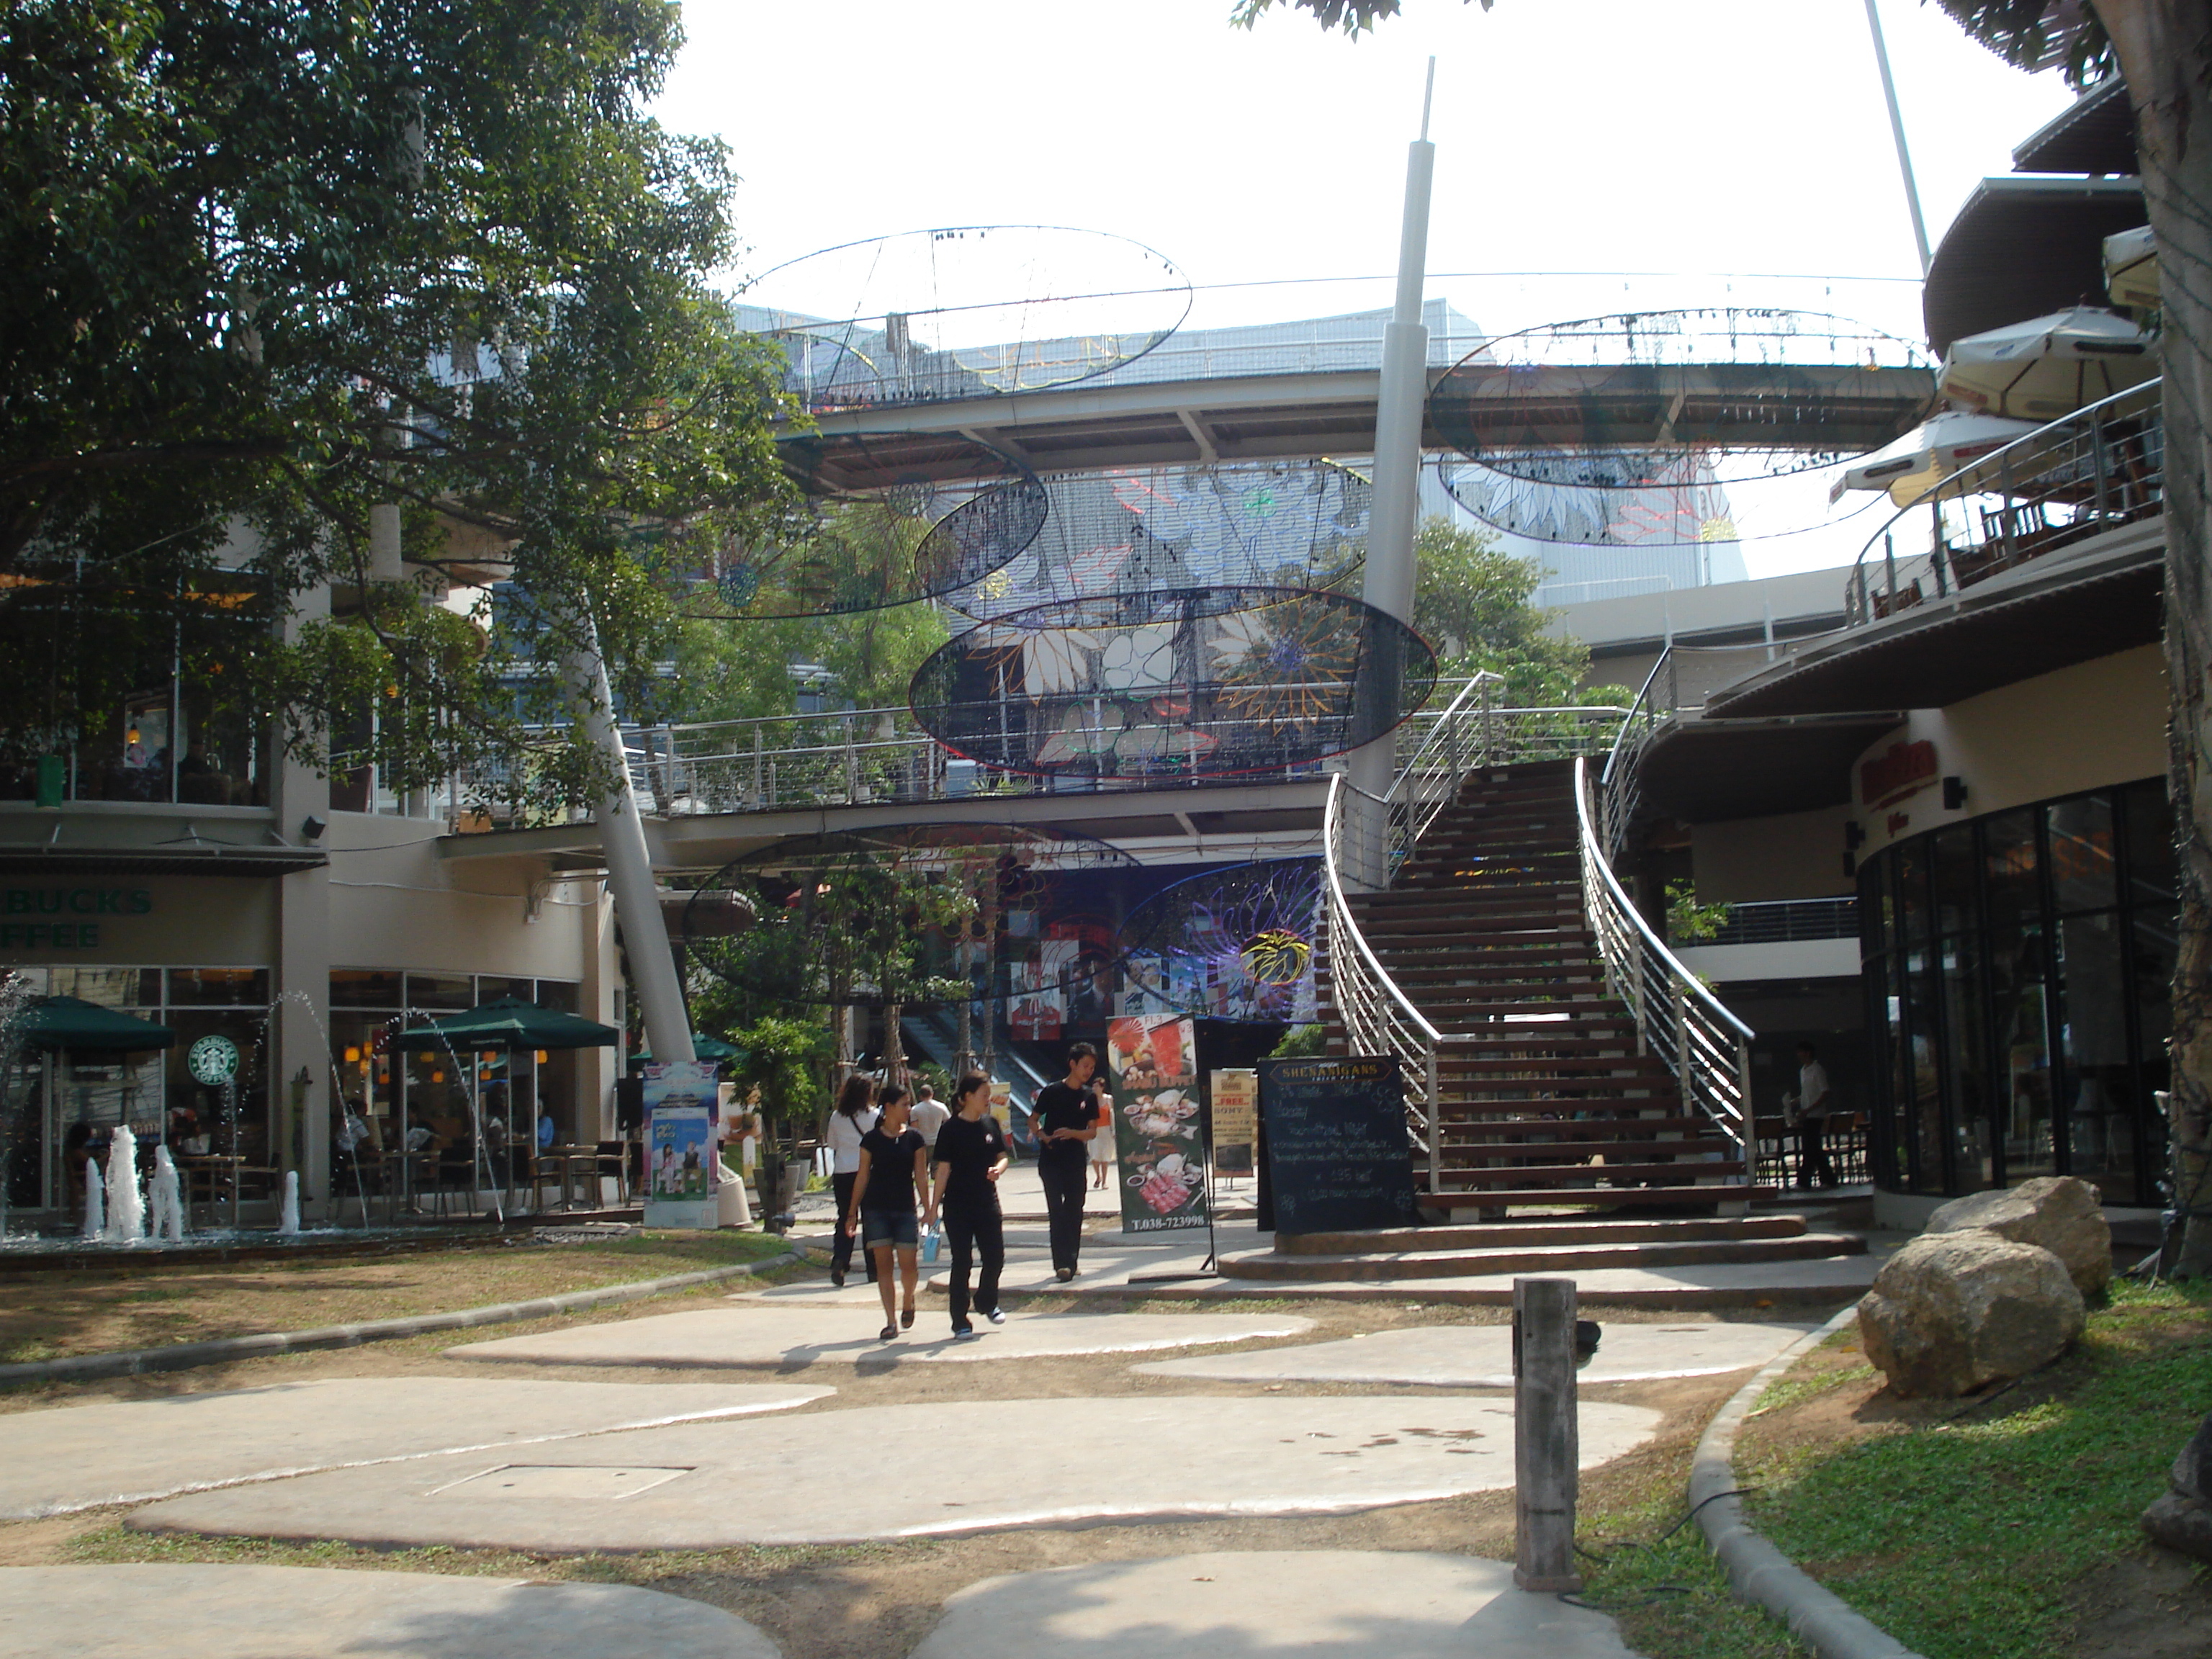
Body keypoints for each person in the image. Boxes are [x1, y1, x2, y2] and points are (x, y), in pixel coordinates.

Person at [928, 1070, 1010, 1340]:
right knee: (962, 1261)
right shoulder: (950, 1129)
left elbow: (1002, 1156)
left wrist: (999, 1169)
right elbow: (943, 1170)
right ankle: (959, 1319)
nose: (988, 1099)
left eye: (989, 1095)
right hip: (958, 1206)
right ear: (967, 1097)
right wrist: (932, 1207)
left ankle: (987, 1301)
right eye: (984, 1095)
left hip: (987, 1201)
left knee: (995, 1256)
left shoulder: (990, 1124)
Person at [846, 1083, 928, 1339]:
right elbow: (862, 1176)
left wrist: (929, 1208)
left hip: (905, 1208)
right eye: (904, 1104)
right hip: (876, 1209)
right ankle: (891, 1320)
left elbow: (921, 1177)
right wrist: (852, 1212)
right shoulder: (871, 1139)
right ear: (889, 1107)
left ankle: (908, 1301)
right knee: (883, 1267)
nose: (909, 1109)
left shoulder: (915, 1138)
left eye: (909, 1104)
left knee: (909, 1265)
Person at [1032, 1041, 1102, 1282]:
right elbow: (1033, 1120)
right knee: (1057, 1211)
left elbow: (1092, 1132)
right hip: (1051, 1160)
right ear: (1072, 1064)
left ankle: (1071, 1260)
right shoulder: (1051, 1091)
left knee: (1075, 1210)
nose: (1088, 1071)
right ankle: (1062, 1264)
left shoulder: (1089, 1097)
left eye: (1092, 1067)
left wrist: (1072, 1133)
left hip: (1075, 1160)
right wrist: (1043, 1136)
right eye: (1085, 1065)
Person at [825, 1073, 879, 1287]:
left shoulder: (836, 1117)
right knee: (871, 1219)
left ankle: (840, 1260)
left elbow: (831, 1144)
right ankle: (873, 1268)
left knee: (846, 1217)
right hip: (868, 1172)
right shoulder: (875, 1116)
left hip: (843, 1172)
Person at [1786, 1040, 1836, 1190]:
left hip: (1815, 1114)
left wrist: (1810, 1108)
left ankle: (1805, 1180)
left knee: (1810, 1148)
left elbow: (1824, 1092)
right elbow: (1808, 1093)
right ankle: (1828, 1178)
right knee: (1813, 1148)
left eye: (1801, 1052)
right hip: (1807, 1114)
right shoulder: (1803, 1071)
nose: (1799, 1055)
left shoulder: (1817, 1070)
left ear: (1808, 1053)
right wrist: (1798, 1101)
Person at [909, 1081, 950, 1152]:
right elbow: (948, 1123)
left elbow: (914, 1128)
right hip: (937, 1142)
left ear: (920, 1096)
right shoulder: (941, 1107)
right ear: (932, 1094)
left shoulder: (915, 1109)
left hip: (922, 1143)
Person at [1088, 1089, 1115, 1190]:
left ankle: (1104, 1181)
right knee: (1094, 1156)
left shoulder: (1109, 1099)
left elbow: (1112, 1114)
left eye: (1097, 1086)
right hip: (1094, 1130)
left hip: (1106, 1130)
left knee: (1105, 1157)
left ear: (1101, 1087)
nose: (1095, 1088)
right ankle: (1098, 1176)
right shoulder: (1090, 1099)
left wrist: (1114, 1130)